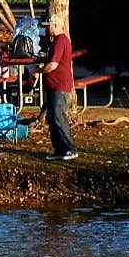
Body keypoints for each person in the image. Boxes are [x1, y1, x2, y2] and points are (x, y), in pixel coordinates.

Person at [38, 15, 78, 161]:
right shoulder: (55, 42)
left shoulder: (61, 40)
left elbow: (52, 65)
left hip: (60, 86)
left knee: (58, 117)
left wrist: (38, 71)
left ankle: (70, 149)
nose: (47, 29)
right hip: (54, 86)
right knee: (52, 119)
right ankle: (59, 150)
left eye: (49, 26)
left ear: (55, 25)